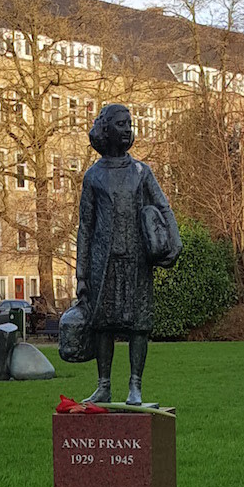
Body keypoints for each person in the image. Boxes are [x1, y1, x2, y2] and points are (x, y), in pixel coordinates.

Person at [75, 103, 181, 405]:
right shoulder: (93, 176)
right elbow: (86, 226)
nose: (127, 129)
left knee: (138, 324)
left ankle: (135, 385)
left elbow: (163, 207)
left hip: (136, 262)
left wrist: (173, 242)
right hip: (102, 262)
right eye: (121, 124)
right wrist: (81, 274)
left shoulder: (140, 172)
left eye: (129, 124)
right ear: (106, 129)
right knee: (102, 323)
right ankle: (104, 384)